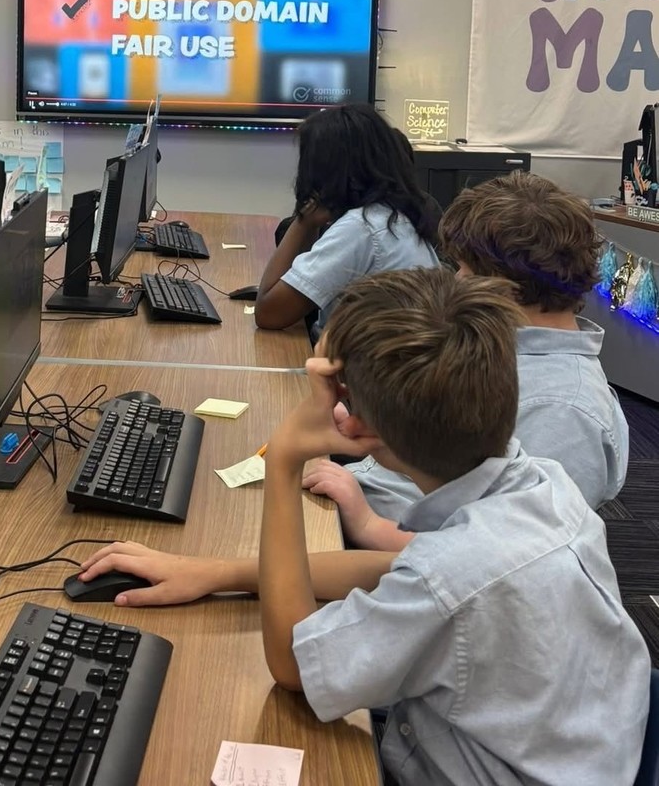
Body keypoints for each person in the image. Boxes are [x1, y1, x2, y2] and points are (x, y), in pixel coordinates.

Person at [80, 268, 651, 784]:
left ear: (356, 425)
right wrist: (218, 571)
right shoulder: (543, 486)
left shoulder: (450, 576)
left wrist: (283, 461)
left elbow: (290, 661)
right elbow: (394, 569)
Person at [306, 171, 629, 548]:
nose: (454, 281)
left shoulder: (563, 411)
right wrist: (376, 426)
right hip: (362, 493)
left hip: (385, 544)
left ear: (503, 286)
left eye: (464, 270)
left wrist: (363, 520)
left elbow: (500, 558)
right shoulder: (501, 348)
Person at [254, 104, 439, 338]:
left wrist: (303, 222)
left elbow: (268, 313)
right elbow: (296, 281)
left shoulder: (362, 229)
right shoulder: (392, 216)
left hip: (366, 369)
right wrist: (310, 222)